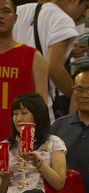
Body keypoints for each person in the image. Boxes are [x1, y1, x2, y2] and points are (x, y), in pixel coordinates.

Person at [11, 0, 87, 119]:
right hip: (38, 106)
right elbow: (54, 69)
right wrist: (75, 94)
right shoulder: (63, 19)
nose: (83, 14)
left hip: (10, 99)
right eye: (85, 6)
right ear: (75, 1)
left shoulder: (19, 11)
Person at [1, 93, 67, 193]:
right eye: (15, 114)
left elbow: (59, 183)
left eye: (24, 113)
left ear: (37, 115)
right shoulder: (6, 146)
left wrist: (39, 162)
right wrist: (6, 177)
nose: (18, 118)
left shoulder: (54, 143)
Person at [0, 0, 48, 140]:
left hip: (19, 140)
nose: (0, 15)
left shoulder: (32, 56)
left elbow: (41, 106)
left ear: (16, 18)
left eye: (6, 11)